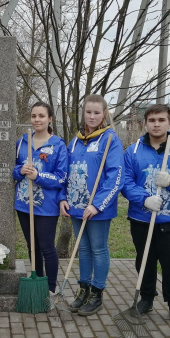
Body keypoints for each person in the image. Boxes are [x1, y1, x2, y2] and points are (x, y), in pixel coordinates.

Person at [121, 104, 170, 327]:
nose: (156, 124)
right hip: (141, 217)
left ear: (169, 123)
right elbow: (126, 181)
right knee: (144, 261)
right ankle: (146, 298)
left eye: (161, 120)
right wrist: (143, 199)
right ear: (145, 123)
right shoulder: (133, 151)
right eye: (152, 120)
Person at [59, 94, 124, 316]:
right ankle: (83, 289)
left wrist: (97, 205)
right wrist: (63, 197)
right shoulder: (75, 141)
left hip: (97, 209)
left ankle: (97, 293)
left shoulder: (110, 140)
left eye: (97, 112)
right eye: (89, 112)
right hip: (77, 206)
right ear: (83, 113)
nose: (92, 116)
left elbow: (116, 176)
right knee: (83, 249)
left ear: (104, 114)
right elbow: (65, 172)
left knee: (98, 248)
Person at [13, 102, 68, 294]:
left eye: (41, 116)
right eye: (34, 116)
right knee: (32, 246)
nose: (37, 119)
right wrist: (20, 170)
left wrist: (39, 176)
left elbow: (62, 177)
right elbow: (13, 170)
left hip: (46, 205)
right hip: (23, 203)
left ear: (50, 119)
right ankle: (37, 282)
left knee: (46, 247)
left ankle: (51, 288)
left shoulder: (58, 145)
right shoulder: (22, 142)